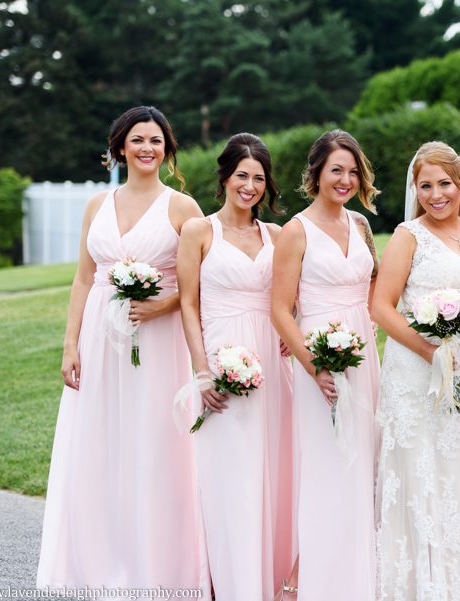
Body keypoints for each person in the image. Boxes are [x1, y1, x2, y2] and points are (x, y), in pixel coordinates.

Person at [37, 106, 207, 593]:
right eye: (137, 140)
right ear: (120, 147)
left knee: (154, 445)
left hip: (157, 342)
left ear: (167, 148)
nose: (147, 148)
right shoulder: (97, 205)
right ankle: (100, 562)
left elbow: (201, 286)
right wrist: (70, 344)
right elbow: (84, 278)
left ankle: (160, 565)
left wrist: (161, 307)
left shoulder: (182, 208)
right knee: (101, 442)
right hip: (99, 337)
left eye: (156, 140)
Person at [373, 141, 460, 600]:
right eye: (425, 186)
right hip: (417, 376)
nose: (435, 194)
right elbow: (381, 307)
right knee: (424, 473)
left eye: (444, 183)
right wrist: (429, 352)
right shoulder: (409, 235)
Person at [177, 133, 297, 600]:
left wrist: (292, 339)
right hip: (222, 359)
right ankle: (230, 585)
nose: (249, 186)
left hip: (271, 361)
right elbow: (188, 304)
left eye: (259, 178)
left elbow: (290, 299)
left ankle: (272, 581)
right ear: (225, 176)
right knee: (229, 475)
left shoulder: (279, 235)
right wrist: (202, 370)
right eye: (242, 175)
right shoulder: (199, 232)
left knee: (272, 469)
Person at [270, 129, 381, 601]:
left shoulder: (360, 227)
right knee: (328, 464)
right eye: (337, 169)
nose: (346, 179)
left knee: (366, 459)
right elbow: (278, 309)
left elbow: (373, 285)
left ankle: (359, 572)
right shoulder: (295, 231)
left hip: (364, 357)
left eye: (354, 171)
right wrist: (314, 365)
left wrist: (371, 334)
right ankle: (306, 579)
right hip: (319, 359)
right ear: (315, 173)